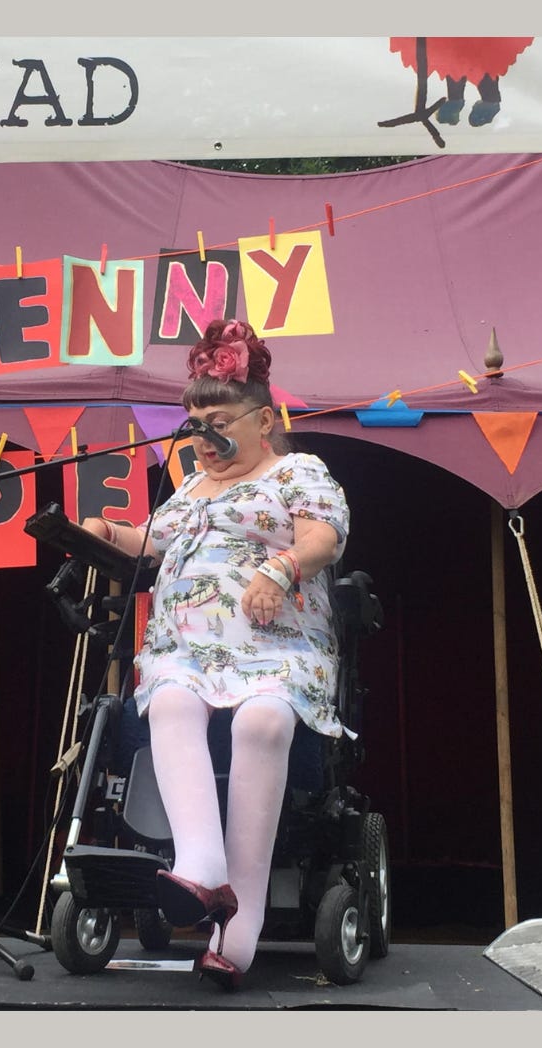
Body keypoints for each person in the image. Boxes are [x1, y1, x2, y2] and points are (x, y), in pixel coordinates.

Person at [80, 318, 350, 989]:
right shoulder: (191, 487)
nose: (203, 435)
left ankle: (243, 919)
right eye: (193, 421)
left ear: (262, 420)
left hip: (277, 647)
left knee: (263, 720)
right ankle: (201, 866)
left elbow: (326, 538)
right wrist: (102, 529)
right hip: (188, 650)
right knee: (167, 696)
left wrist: (281, 567)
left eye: (218, 419)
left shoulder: (296, 470)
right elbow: (148, 539)